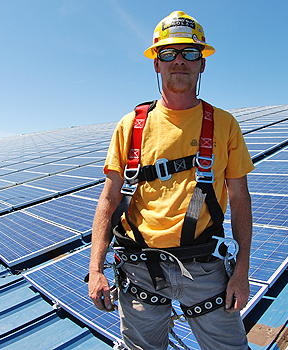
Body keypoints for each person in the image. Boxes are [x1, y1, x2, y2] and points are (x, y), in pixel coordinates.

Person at [88, 10, 254, 350]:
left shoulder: (224, 125)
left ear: (202, 63)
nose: (179, 61)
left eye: (189, 53)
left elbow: (240, 199)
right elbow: (108, 199)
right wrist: (95, 269)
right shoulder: (130, 126)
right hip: (138, 269)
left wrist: (241, 272)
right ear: (157, 64)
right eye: (168, 53)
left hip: (206, 268)